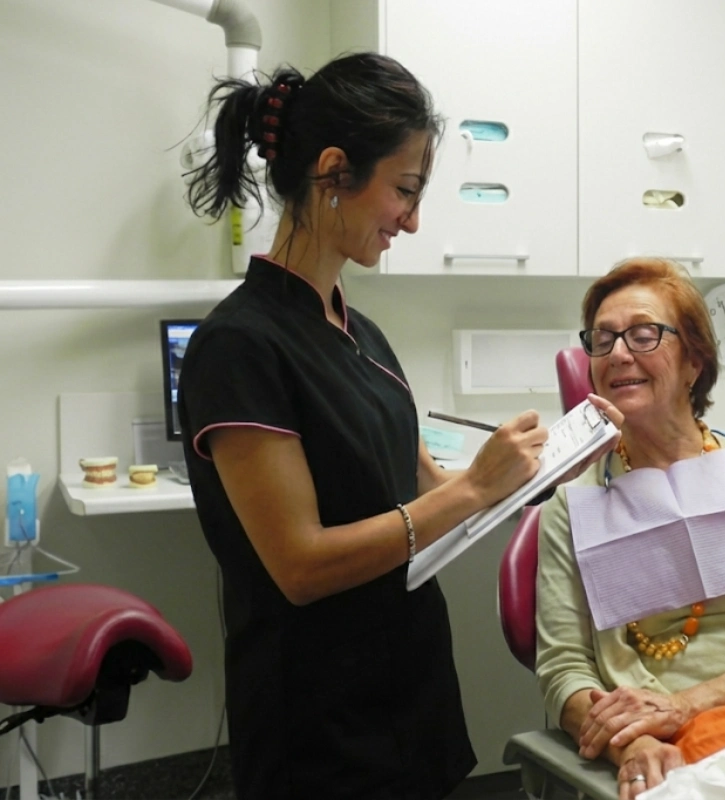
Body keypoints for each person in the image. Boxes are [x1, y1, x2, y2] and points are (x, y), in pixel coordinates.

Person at [178, 53, 620, 799]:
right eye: (404, 191)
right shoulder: (241, 346)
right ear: (333, 172)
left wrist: (534, 479)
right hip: (316, 729)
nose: (412, 220)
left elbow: (437, 503)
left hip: (409, 695)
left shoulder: (364, 337)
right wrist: (474, 485)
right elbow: (302, 565)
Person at [535, 258, 725, 799]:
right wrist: (629, 744)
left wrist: (686, 705)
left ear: (693, 362)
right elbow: (565, 671)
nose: (618, 354)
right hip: (663, 748)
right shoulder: (573, 503)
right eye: (603, 339)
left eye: (644, 334)